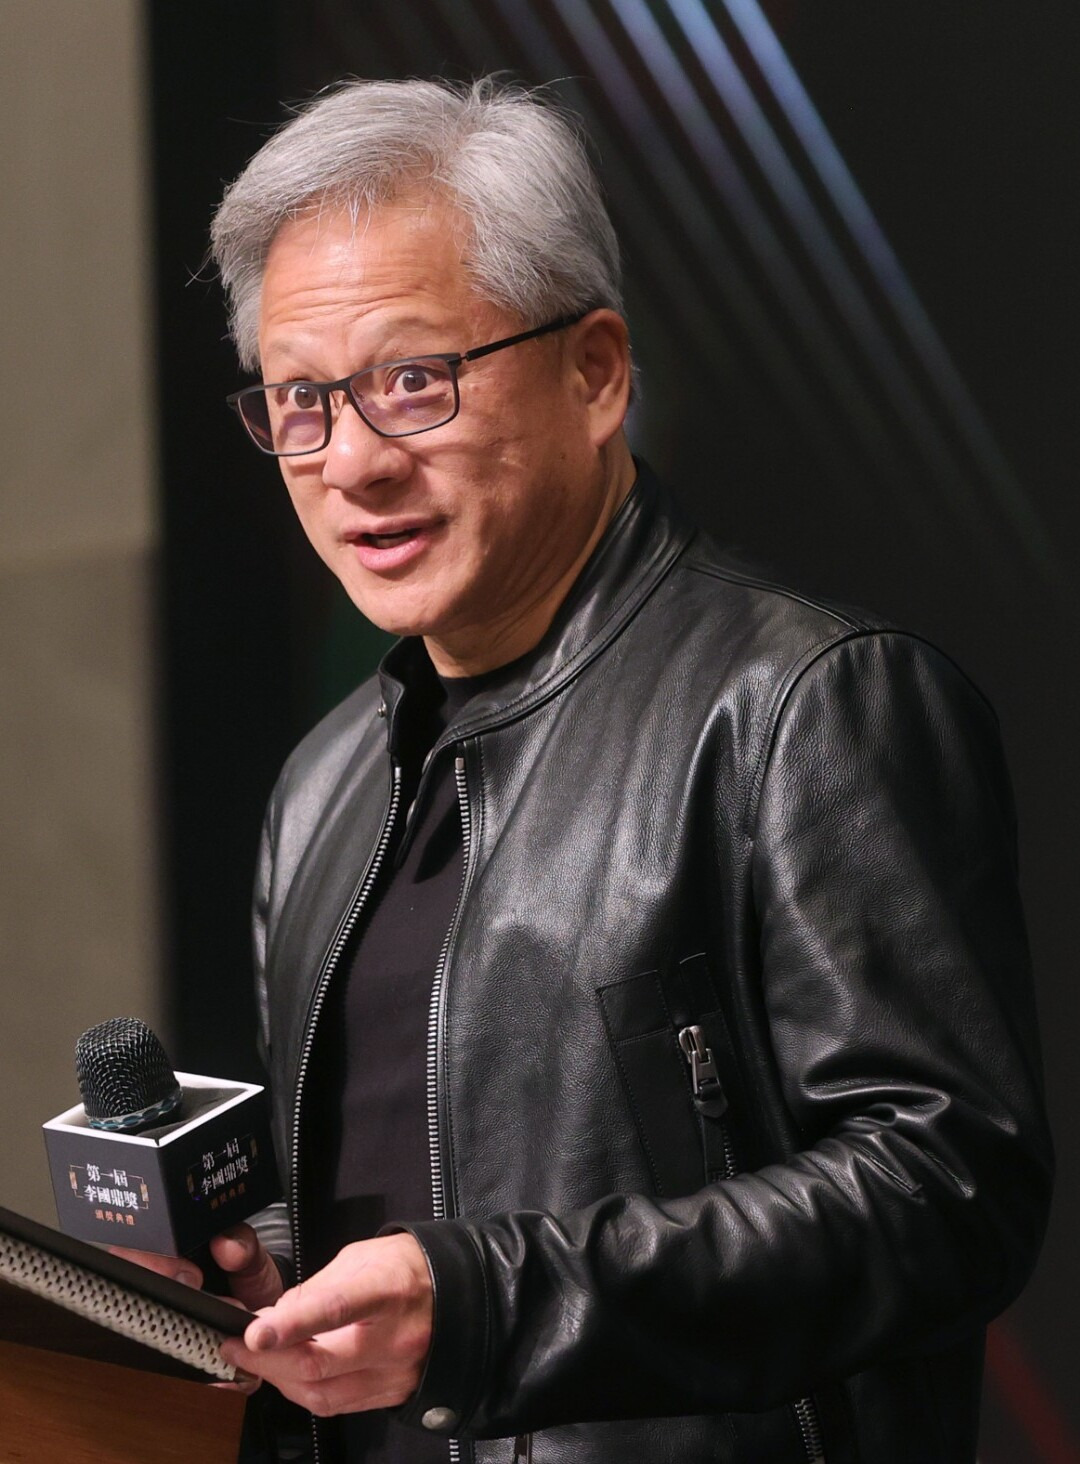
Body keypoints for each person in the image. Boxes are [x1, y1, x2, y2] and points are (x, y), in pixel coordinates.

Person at [156, 77, 1053, 1463]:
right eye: (301, 400)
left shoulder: (803, 705)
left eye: (413, 381)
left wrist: (492, 1309)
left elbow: (947, 1192)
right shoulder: (322, 786)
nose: (354, 464)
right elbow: (407, 1205)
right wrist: (263, 1277)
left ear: (596, 374)